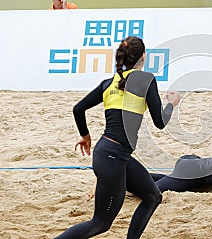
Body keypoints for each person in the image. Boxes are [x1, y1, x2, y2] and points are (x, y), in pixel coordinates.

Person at [55, 36, 181, 239]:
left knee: (152, 195)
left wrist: (85, 136)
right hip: (112, 157)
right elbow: (160, 122)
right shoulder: (146, 80)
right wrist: (172, 104)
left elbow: (78, 108)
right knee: (100, 224)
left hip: (111, 154)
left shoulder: (109, 82)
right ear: (143, 56)